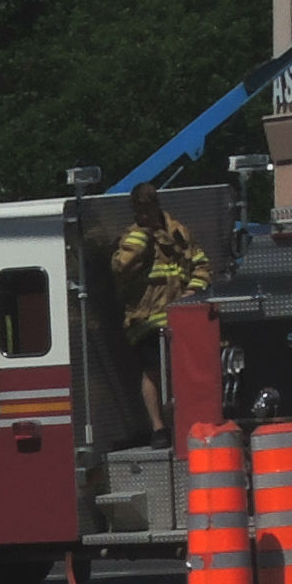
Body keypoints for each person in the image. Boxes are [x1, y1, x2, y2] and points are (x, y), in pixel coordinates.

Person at [111, 183, 210, 437]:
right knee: (153, 372)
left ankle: (187, 422)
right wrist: (142, 239)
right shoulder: (133, 236)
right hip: (146, 320)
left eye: (148, 209)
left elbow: (201, 265)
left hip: (182, 316)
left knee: (184, 371)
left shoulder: (178, 233)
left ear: (156, 205)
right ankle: (158, 427)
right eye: (139, 210)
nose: (144, 215)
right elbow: (120, 268)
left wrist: (192, 292)